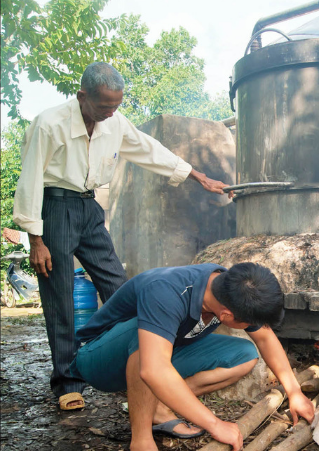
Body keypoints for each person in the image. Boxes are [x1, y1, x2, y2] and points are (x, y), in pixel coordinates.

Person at [12, 62, 232, 411]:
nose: (111, 112)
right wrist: (35, 239)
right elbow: (30, 180)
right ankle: (68, 380)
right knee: (60, 293)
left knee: (120, 286)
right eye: (104, 106)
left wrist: (199, 176)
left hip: (89, 210)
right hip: (55, 208)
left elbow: (150, 150)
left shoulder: (114, 122)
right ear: (82, 96)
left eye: (116, 105)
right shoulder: (49, 124)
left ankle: (133, 364)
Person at [70, 262, 314, 451]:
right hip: (98, 359)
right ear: (227, 316)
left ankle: (156, 407)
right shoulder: (166, 292)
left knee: (244, 354)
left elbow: (265, 336)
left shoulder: (227, 289)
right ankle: (141, 448)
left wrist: (294, 392)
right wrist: (214, 424)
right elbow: (154, 368)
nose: (257, 327)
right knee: (145, 339)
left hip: (157, 355)